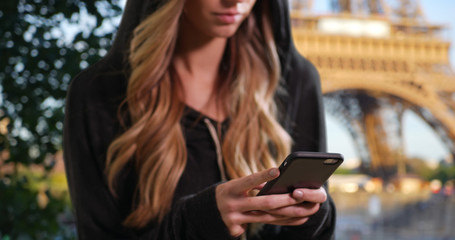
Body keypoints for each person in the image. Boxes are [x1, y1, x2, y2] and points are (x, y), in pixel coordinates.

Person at [63, 0, 336, 239]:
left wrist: (312, 214)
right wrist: (202, 220)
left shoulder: (296, 81)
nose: (236, 0)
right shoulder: (97, 94)